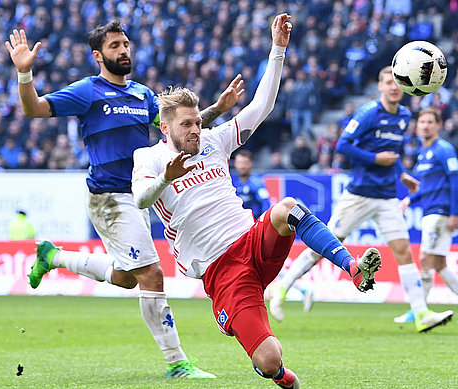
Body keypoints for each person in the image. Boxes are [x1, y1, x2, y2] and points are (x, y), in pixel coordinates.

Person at [132, 14, 381, 388]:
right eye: (187, 125)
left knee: (288, 208)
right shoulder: (149, 159)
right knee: (269, 359)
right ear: (165, 128)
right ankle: (278, 373)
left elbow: (260, 107)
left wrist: (277, 49)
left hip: (253, 242)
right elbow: (139, 199)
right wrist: (167, 177)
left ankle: (352, 267)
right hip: (222, 272)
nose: (195, 129)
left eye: (197, 122)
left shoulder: (214, 141)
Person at [5, 20, 243, 378]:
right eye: (115, 46)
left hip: (140, 193)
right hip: (110, 197)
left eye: (126, 44)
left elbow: (177, 130)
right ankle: (177, 362)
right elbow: (33, 108)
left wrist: (218, 109)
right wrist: (25, 75)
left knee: (127, 277)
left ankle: (53, 256)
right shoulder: (88, 91)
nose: (124, 50)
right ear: (99, 55)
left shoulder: (143, 95)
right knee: (151, 274)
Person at [269, 66, 454, 333]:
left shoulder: (403, 116)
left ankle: (421, 313)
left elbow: (392, 152)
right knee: (324, 246)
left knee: (404, 252)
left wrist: (401, 174)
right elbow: (343, 145)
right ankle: (282, 288)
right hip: (358, 195)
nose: (393, 87)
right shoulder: (368, 113)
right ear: (380, 86)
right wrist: (374, 159)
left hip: (387, 196)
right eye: (388, 82)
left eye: (397, 83)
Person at [397, 108, 458, 325]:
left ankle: (420, 310)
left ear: (438, 125)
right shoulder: (423, 152)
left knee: (425, 259)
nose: (425, 125)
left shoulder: (443, 149)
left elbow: (455, 182)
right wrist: (410, 199)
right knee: (439, 264)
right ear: (417, 127)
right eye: (422, 122)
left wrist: (454, 212)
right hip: (429, 210)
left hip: (440, 212)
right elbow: (426, 186)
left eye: (429, 122)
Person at [232, 149, 270, 219]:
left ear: (251, 164)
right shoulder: (234, 183)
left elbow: (265, 203)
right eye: (239, 163)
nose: (242, 166)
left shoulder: (257, 182)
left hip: (255, 222)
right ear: (235, 164)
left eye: (245, 163)